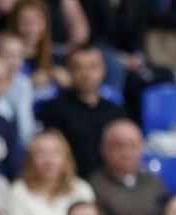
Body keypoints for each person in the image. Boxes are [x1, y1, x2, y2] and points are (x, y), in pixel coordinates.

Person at [35, 47, 128, 181]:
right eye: (79, 68)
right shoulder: (53, 109)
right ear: (69, 71)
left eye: (92, 67)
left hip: (111, 183)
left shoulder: (116, 111)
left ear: (103, 71)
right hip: (69, 182)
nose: (86, 74)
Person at [8, 131, 96, 215]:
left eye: (55, 153)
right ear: (30, 161)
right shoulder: (19, 191)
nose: (49, 160)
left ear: (66, 160)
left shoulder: (81, 189)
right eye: (41, 154)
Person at [89, 120, 168, 215]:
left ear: (142, 148)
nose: (126, 153)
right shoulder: (94, 187)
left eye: (133, 146)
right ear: (103, 149)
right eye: (118, 146)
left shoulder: (154, 182)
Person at [0, 32, 36, 149]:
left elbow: (25, 117)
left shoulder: (23, 83)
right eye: (9, 55)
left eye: (19, 55)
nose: (15, 60)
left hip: (20, 144)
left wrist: (28, 144)